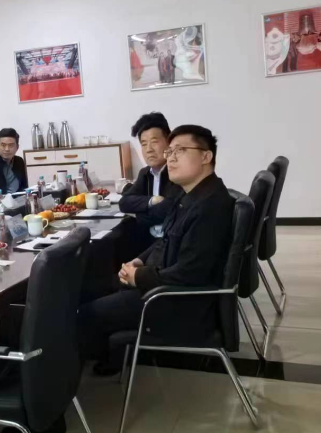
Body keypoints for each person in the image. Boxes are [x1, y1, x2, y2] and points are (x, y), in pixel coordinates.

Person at [79, 125, 235, 375]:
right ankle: (108, 350)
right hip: (165, 287)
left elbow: (190, 274)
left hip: (176, 303)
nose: (170, 158)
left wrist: (139, 277)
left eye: (180, 151)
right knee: (92, 287)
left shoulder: (210, 207)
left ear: (206, 156)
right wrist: (139, 261)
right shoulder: (191, 195)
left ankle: (78, 376)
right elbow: (165, 240)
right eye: (170, 151)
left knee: (87, 313)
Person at [119, 112, 183, 253]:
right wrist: (152, 200)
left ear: (169, 142)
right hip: (149, 243)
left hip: (173, 245)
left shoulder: (178, 171)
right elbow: (124, 202)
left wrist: (136, 214)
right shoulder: (145, 173)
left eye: (154, 142)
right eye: (144, 144)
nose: (149, 149)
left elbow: (167, 211)